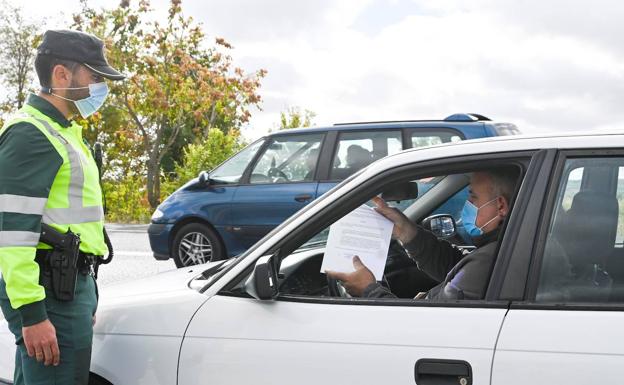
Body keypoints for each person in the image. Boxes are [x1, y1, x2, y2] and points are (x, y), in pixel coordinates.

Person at [0, 29, 124, 385]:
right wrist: (32, 314)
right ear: (61, 75)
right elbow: (11, 233)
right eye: (95, 76)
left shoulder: (63, 131)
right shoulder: (31, 133)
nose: (101, 86)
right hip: (50, 293)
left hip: (66, 288)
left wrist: (87, 293)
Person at [326, 168, 518, 300]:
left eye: (472, 196)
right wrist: (406, 232)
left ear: (500, 206)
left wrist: (368, 290)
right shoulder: (502, 248)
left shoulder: (488, 260)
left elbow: (421, 325)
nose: (466, 204)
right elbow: (456, 266)